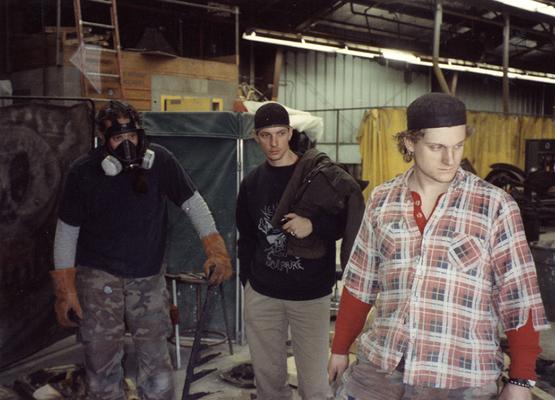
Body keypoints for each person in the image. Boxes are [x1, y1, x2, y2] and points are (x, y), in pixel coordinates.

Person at [328, 93, 550, 400]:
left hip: (459, 376)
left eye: (458, 146)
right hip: (382, 365)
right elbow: (359, 283)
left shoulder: (495, 205)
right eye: (437, 147)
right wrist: (340, 348)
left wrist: (522, 378)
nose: (450, 159)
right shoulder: (382, 199)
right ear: (409, 143)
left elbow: (519, 295)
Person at [50, 100, 232, 400]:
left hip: (147, 274)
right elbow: (67, 232)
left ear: (141, 135)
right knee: (101, 359)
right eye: (117, 138)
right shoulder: (83, 172)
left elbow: (194, 204)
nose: (127, 145)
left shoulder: (159, 161)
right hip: (98, 276)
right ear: (102, 140)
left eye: (131, 136)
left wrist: (215, 250)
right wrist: (66, 289)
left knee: (156, 358)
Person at [236, 102, 364, 400]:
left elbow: (343, 223)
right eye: (266, 135)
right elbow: (246, 237)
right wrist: (249, 285)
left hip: (309, 295)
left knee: (316, 386)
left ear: (290, 133)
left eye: (280, 133)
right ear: (256, 137)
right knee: (268, 383)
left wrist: (313, 225)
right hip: (263, 293)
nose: (274, 143)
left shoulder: (317, 175)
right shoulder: (252, 183)